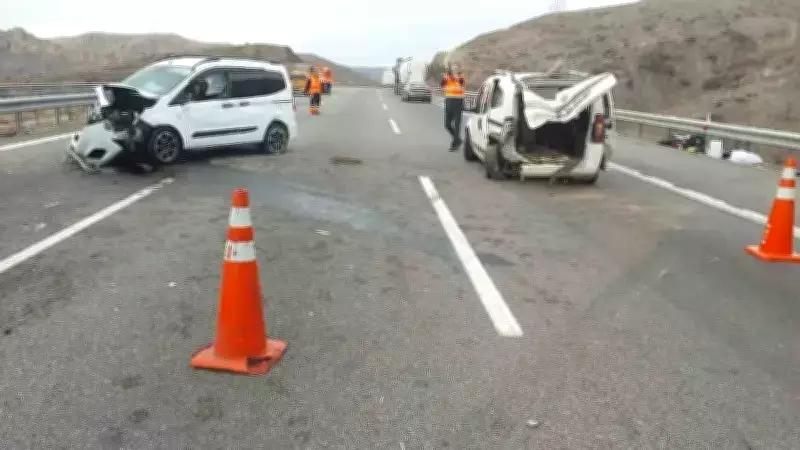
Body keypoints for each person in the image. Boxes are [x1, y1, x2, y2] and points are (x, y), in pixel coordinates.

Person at [441, 68, 466, 151]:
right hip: (448, 101)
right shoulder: (447, 78)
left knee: (457, 124)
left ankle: (455, 143)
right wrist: (446, 77)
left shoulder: (460, 77)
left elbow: (461, 81)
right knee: (447, 124)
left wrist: (454, 76)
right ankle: (457, 139)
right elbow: (442, 85)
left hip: (458, 102)